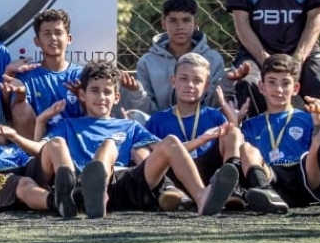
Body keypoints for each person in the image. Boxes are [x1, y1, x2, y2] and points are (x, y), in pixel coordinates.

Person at [37, 59, 238, 218]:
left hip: (125, 181)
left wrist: (202, 139)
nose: (101, 97)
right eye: (95, 91)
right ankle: (98, 195)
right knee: (108, 146)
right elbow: (40, 151)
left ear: (116, 97)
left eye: (107, 92)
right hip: (83, 182)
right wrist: (40, 122)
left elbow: (169, 151)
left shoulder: (129, 125)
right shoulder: (68, 125)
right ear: (82, 94)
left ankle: (202, 196)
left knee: (170, 141)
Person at [239, 54, 320, 214]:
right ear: (262, 87)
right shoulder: (250, 124)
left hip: (304, 174)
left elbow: (317, 146)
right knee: (246, 149)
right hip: (271, 176)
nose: (279, 89)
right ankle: (266, 192)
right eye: (272, 82)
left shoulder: (306, 117)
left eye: (285, 83)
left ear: (296, 88)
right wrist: (234, 123)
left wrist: (319, 122)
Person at [145, 53, 247, 209]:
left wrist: (234, 124)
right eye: (184, 78)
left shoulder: (214, 116)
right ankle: (171, 194)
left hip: (209, 171)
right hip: (174, 174)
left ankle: (232, 188)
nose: (190, 85)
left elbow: (232, 143)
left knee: (232, 132)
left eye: (197, 80)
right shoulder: (157, 120)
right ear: (173, 81)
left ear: (206, 86)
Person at [120, 0, 225, 115]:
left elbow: (215, 106)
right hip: (158, 127)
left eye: (186, 20)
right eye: (173, 20)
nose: (180, 27)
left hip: (203, 126)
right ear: (164, 23)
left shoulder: (213, 59)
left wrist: (228, 82)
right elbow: (146, 113)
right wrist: (136, 92)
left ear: (195, 23)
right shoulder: (147, 63)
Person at [0, 8, 84, 140]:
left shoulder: (81, 76)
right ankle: (31, 158)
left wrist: (83, 99)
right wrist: (19, 95)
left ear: (69, 38)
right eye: (47, 33)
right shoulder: (27, 75)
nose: (53, 38)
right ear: (37, 41)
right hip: (38, 142)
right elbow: (14, 113)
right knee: (19, 108)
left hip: (73, 142)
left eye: (58, 32)